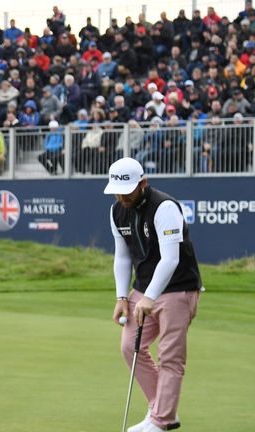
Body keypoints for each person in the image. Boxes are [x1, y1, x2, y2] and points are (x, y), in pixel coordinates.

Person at [105, 157, 203, 432]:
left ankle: (161, 420)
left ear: (143, 183)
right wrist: (121, 296)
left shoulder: (165, 207)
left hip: (178, 289)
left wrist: (150, 297)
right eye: (117, 191)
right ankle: (160, 409)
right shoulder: (116, 212)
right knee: (129, 347)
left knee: (170, 357)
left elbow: (170, 259)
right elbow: (122, 256)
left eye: (127, 190)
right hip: (142, 289)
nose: (121, 196)